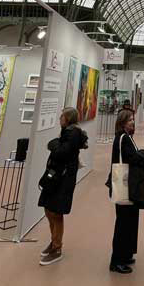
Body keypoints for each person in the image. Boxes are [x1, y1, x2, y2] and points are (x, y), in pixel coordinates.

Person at [38, 107, 88, 266]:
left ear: (68, 118)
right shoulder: (67, 132)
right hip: (56, 176)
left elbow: (61, 152)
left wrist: (53, 144)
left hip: (63, 178)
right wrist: (56, 144)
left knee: (56, 212)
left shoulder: (73, 134)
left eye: (62, 116)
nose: (60, 118)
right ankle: (54, 241)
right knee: (49, 209)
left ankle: (57, 248)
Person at [110, 110, 140, 274]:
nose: (132, 122)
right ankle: (117, 261)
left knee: (129, 220)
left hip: (127, 184)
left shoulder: (126, 137)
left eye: (133, 119)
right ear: (122, 123)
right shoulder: (123, 138)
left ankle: (126, 254)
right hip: (124, 184)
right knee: (123, 222)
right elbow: (131, 158)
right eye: (129, 120)